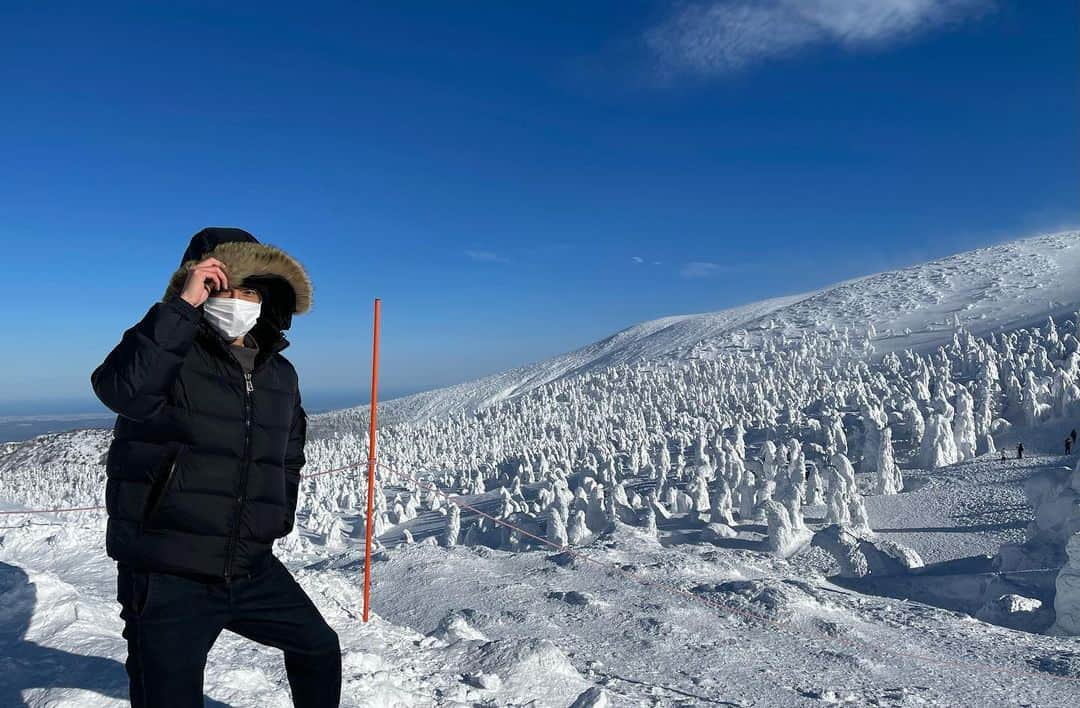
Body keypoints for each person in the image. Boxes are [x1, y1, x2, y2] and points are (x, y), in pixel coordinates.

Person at [91, 228, 340, 707]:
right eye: (219, 286)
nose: (235, 299)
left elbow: (288, 453)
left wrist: (274, 519)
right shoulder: (169, 356)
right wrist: (181, 307)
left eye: (248, 290)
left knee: (318, 647)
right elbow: (122, 391)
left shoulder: (278, 373)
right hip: (167, 574)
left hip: (248, 566)